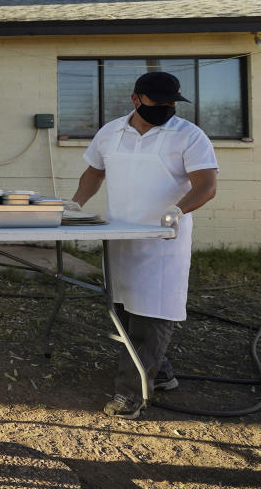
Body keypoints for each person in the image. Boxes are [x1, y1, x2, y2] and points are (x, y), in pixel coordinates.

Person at [70, 71, 218, 419]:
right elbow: (94, 172)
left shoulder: (188, 136)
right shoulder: (111, 132)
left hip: (162, 241)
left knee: (152, 314)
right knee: (123, 312)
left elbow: (206, 185)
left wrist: (177, 209)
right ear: (136, 100)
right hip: (119, 236)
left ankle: (129, 394)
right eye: (158, 102)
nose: (167, 108)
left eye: (171, 102)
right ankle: (159, 371)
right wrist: (76, 203)